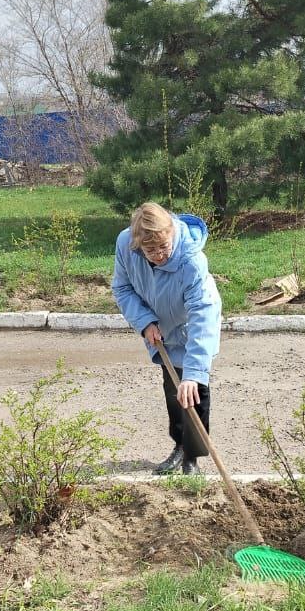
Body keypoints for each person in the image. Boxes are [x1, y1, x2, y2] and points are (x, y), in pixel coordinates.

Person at [112, 201, 222, 476]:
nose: (159, 255)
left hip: (191, 327)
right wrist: (145, 322)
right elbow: (123, 288)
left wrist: (195, 373)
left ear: (171, 233)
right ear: (138, 245)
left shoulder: (192, 261)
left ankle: (192, 458)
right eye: (151, 251)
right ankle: (179, 446)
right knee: (173, 391)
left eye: (164, 247)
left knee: (193, 392)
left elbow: (203, 315)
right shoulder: (125, 245)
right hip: (160, 329)